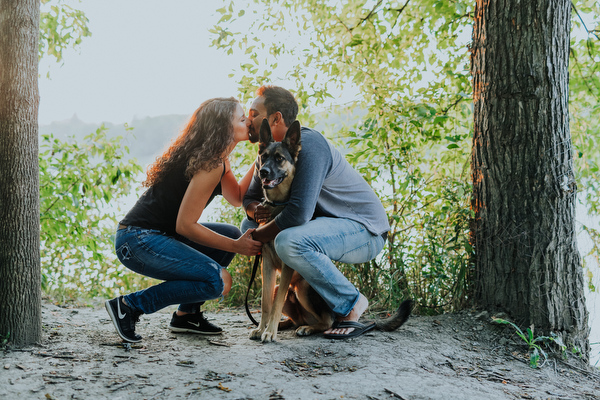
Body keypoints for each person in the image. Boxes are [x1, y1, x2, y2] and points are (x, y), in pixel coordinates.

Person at [106, 97, 262, 343]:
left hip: (154, 236)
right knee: (218, 282)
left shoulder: (217, 159)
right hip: (137, 241)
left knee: (230, 232)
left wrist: (263, 155)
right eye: (242, 119)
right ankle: (130, 306)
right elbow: (185, 226)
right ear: (223, 128)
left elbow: (238, 197)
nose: (249, 122)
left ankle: (186, 314)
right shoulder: (210, 164)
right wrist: (236, 247)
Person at [242, 85, 390, 339]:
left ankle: (351, 302)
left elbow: (297, 215)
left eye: (254, 113)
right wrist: (257, 215)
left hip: (364, 229)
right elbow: (249, 199)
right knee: (249, 227)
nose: (248, 120)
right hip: (329, 230)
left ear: (275, 118)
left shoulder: (308, 145)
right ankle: (297, 313)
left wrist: (258, 237)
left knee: (287, 239)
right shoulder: (269, 155)